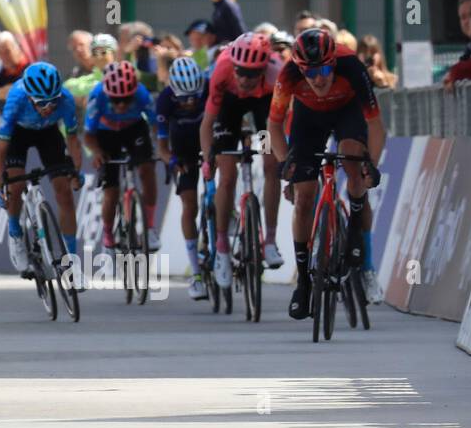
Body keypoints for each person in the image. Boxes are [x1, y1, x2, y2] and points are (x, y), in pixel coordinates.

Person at [267, 27, 384, 321]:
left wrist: (372, 162)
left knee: (354, 164)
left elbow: (376, 125)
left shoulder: (352, 67)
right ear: (300, 69)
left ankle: (360, 244)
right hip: (309, 119)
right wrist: (286, 164)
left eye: (324, 70)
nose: (318, 78)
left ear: (334, 62)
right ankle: (304, 282)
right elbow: (275, 126)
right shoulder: (288, 75)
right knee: (304, 197)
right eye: (310, 72)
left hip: (347, 112)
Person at [199, 31, 285, 283]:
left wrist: (283, 158)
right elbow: (207, 123)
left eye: (252, 74)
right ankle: (222, 248)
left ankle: (269, 240)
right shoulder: (223, 70)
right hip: (229, 105)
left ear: (263, 69)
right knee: (227, 175)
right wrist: (206, 159)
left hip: (264, 104)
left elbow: (279, 125)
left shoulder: (276, 74)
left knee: (272, 165)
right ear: (233, 65)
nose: (246, 79)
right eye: (241, 72)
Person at [0, 62, 85, 286]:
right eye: (42, 103)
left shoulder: (65, 99)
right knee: (16, 187)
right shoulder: (16, 100)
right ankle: (16, 233)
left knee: (64, 193)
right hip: (19, 135)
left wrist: (75, 171)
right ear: (30, 97)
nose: (49, 107)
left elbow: (73, 141)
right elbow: (0, 152)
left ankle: (71, 262)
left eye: (53, 101)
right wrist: (1, 188)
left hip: (48, 134)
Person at [84, 60, 161, 253]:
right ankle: (109, 235)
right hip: (106, 133)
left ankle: (150, 228)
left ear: (134, 92)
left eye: (126, 99)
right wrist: (97, 152)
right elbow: (88, 135)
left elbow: (155, 125)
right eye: (115, 100)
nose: (121, 105)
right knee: (111, 191)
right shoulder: (97, 95)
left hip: (133, 129)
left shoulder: (142, 94)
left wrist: (159, 147)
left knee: (147, 169)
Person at [156, 56, 210, 300]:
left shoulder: (209, 88)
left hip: (210, 142)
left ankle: (224, 218)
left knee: (220, 187)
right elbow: (162, 148)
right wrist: (173, 161)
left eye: (193, 98)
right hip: (183, 150)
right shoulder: (165, 100)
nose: (188, 103)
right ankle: (196, 273)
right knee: (190, 205)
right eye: (183, 99)